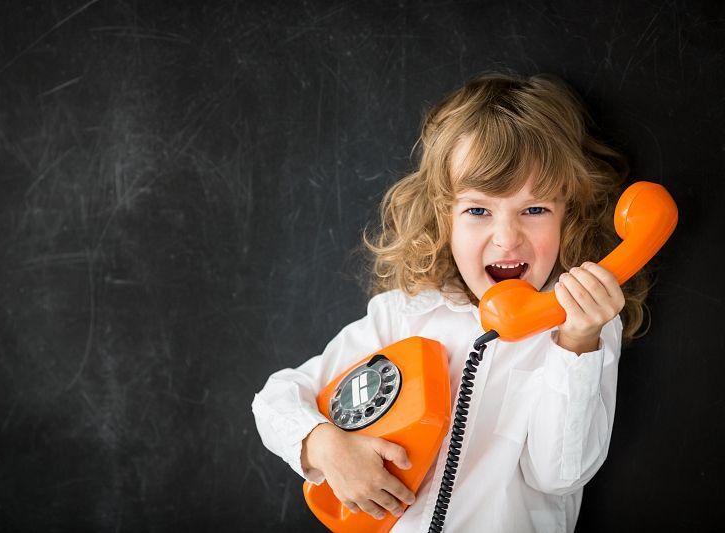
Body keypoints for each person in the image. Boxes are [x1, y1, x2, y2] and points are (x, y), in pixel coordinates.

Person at [251, 71, 651, 532]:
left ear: (569, 215)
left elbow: (560, 475)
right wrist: (323, 445)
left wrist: (577, 343)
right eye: (478, 210)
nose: (507, 239)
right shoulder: (405, 314)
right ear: (445, 217)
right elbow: (274, 401)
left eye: (535, 209)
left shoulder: (584, 324)